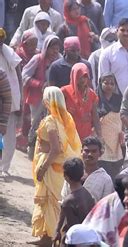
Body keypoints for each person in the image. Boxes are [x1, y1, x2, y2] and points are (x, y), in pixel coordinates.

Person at [29, 87, 81, 246]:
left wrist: (43, 167)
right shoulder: (67, 118)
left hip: (51, 167)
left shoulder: (51, 121)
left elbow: (56, 148)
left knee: (50, 203)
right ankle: (46, 237)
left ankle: (49, 238)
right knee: (52, 203)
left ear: (47, 101)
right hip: (60, 168)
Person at [22, 35, 61, 160]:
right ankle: (32, 148)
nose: (55, 52)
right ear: (46, 48)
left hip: (53, 99)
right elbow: (24, 75)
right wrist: (39, 84)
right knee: (36, 124)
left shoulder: (59, 60)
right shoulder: (38, 59)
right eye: (52, 49)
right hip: (38, 98)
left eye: (57, 49)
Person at [54, 158, 96, 245]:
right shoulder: (88, 194)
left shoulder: (69, 201)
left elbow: (72, 227)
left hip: (76, 240)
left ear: (66, 177)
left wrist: (58, 233)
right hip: (88, 238)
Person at [62, 136, 114, 203]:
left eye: (94, 151)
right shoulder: (72, 171)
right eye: (86, 151)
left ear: (100, 153)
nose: (90, 154)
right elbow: (64, 197)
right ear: (81, 152)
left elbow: (106, 205)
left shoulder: (106, 179)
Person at [61, 62, 101, 141]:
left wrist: (100, 136)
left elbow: (95, 116)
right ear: (73, 76)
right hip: (68, 135)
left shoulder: (92, 94)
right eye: (79, 76)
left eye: (85, 76)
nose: (83, 79)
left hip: (86, 135)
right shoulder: (64, 92)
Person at [0, 29, 21, 177]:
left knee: (8, 137)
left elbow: (19, 78)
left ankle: (4, 168)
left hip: (7, 100)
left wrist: (19, 99)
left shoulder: (10, 55)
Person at [95, 73, 123, 178]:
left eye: (112, 83)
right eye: (106, 83)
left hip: (116, 139)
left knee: (115, 169)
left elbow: (121, 118)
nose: (109, 86)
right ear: (100, 83)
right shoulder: (96, 100)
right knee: (103, 166)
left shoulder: (119, 99)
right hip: (102, 138)